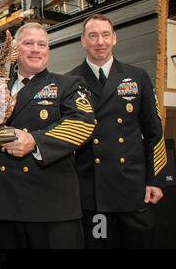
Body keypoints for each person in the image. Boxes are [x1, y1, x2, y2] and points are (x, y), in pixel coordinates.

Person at [68, 14, 167, 248]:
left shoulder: (137, 77)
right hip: (92, 192)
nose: (99, 42)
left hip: (133, 189)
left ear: (115, 38)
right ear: (83, 41)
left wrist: (155, 180)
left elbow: (154, 132)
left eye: (105, 35)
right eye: (93, 36)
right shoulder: (70, 81)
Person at [0, 22, 95, 249]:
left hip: (52, 211)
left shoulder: (68, 84)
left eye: (42, 44)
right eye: (28, 43)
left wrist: (35, 141)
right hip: (8, 210)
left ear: (48, 50)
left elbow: (84, 123)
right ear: (15, 49)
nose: (36, 49)